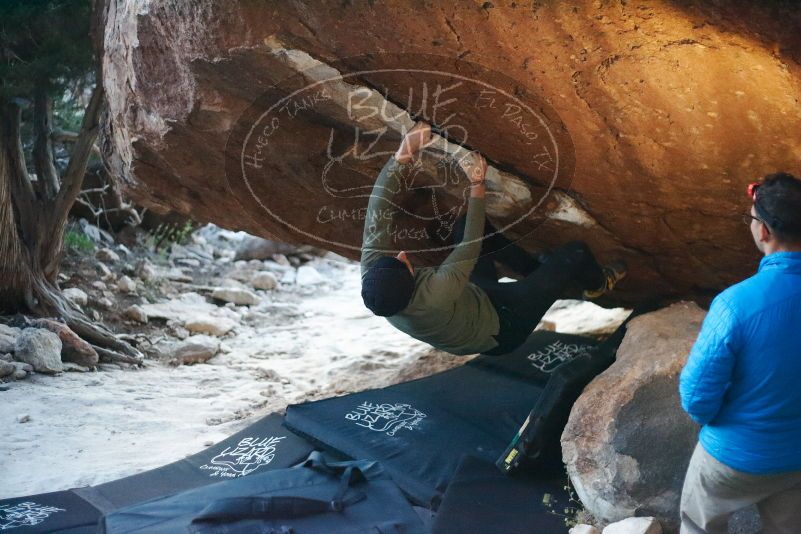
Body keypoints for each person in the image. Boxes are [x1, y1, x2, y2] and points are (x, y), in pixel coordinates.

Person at [360, 122, 625, 356]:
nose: (402, 254)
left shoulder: (376, 284)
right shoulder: (435, 294)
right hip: (503, 327)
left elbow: (377, 209)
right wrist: (477, 185)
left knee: (464, 224)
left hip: (470, 300)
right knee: (576, 254)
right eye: (403, 264)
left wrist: (405, 151)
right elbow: (470, 245)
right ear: (411, 286)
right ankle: (597, 285)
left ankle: (536, 272)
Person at [678, 172, 801, 534]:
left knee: (698, 525)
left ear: (764, 231)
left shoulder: (735, 304)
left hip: (734, 457)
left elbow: (696, 397)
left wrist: (725, 425)